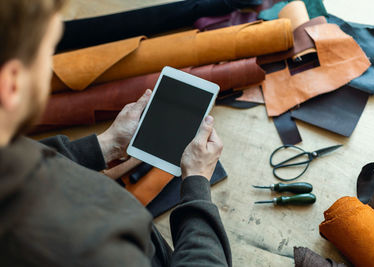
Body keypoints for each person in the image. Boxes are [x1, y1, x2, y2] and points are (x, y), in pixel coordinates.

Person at [0, 0, 232, 266]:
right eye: (48, 52)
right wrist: (197, 185)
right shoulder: (97, 249)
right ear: (12, 84)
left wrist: (105, 145)